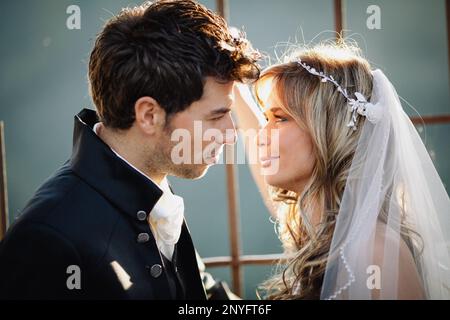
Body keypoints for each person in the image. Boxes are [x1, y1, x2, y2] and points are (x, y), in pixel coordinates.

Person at [0, 0, 259, 299]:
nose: (230, 136)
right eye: (216, 116)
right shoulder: (46, 242)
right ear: (149, 115)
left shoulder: (151, 181)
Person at [234, 42, 450, 299]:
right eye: (265, 118)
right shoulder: (314, 227)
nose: (261, 135)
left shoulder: (375, 250)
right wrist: (233, 88)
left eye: (280, 118)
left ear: (328, 129)